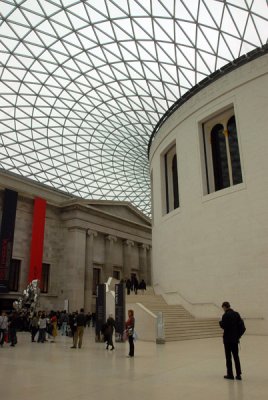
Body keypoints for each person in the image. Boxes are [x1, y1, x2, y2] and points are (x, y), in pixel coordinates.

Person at [219, 301, 243, 380]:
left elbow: (224, 326)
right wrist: (238, 336)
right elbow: (242, 327)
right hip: (235, 340)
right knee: (236, 357)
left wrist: (220, 323)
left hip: (227, 340)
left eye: (223, 308)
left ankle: (230, 374)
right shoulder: (236, 314)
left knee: (228, 358)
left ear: (225, 307)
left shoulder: (225, 315)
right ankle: (238, 375)